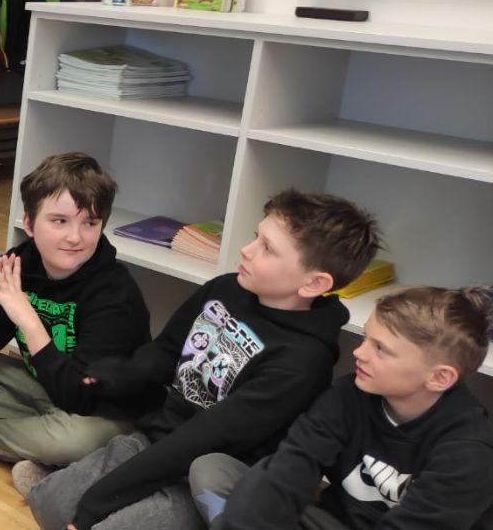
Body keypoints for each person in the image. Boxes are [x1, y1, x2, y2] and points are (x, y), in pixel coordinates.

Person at [26, 189, 382, 530]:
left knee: (99, 520)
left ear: (314, 284)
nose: (246, 250)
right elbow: (166, 351)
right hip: (156, 441)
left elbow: (204, 438)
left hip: (203, 475)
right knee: (49, 505)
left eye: (267, 249)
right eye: (256, 237)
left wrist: (98, 501)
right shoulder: (227, 288)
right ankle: (68, 487)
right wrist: (118, 375)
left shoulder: (303, 361)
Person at [0, 153, 150, 466]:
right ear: (29, 224)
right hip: (43, 388)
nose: (75, 237)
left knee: (74, 442)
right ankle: (32, 439)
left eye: (90, 223)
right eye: (60, 221)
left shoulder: (115, 293)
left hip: (100, 410)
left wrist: (29, 321)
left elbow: (80, 399)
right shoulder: (22, 262)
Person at [190, 286, 493, 530]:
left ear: (439, 377)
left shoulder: (469, 449)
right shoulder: (349, 393)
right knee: (215, 471)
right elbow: (291, 465)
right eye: (365, 338)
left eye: (381, 349)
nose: (359, 352)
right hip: (331, 520)